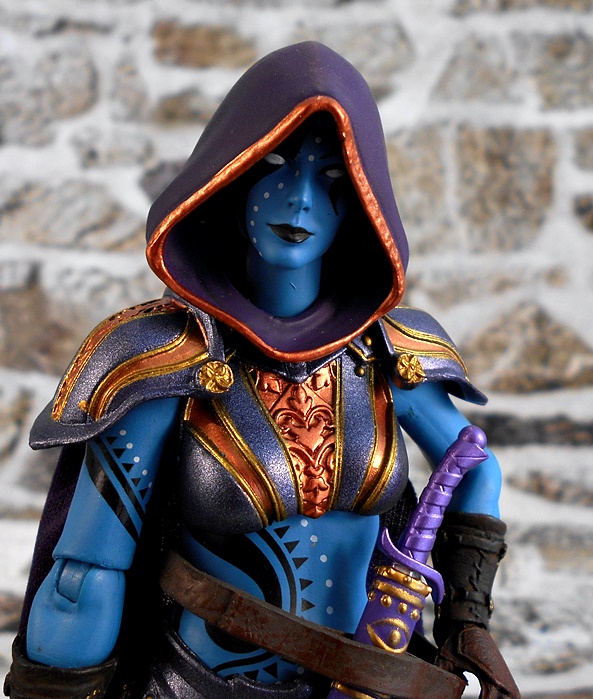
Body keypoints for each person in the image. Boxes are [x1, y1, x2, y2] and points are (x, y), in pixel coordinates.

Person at [5, 42, 519, 699]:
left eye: (330, 179)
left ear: (360, 203)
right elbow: (85, 573)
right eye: (274, 167)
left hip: (364, 682)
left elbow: (473, 466)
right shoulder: (165, 359)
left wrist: (466, 618)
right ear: (233, 179)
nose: (300, 199)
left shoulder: (391, 356)